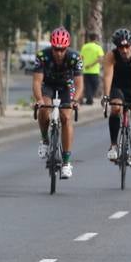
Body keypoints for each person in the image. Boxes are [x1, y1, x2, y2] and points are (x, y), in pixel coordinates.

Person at [31, 27, 83, 179]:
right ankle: (45, 139)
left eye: (62, 49)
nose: (59, 53)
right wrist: (39, 100)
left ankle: (66, 162)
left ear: (67, 47)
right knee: (43, 109)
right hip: (48, 84)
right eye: (56, 49)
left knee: (66, 118)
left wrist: (75, 101)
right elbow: (36, 81)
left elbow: (79, 84)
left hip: (67, 86)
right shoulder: (42, 56)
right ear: (51, 46)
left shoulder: (75, 57)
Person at [101, 28, 131, 167]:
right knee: (115, 108)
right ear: (117, 47)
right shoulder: (111, 56)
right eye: (121, 47)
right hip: (118, 88)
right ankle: (114, 145)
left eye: (127, 46)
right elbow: (108, 76)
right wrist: (106, 95)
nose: (124, 50)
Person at [79, 32, 103, 105]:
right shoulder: (98, 47)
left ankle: (89, 98)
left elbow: (81, 58)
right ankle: (89, 98)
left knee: (87, 85)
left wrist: (83, 66)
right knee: (95, 85)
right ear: (96, 39)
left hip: (85, 70)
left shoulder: (84, 47)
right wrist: (92, 65)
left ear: (89, 38)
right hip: (95, 71)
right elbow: (100, 59)